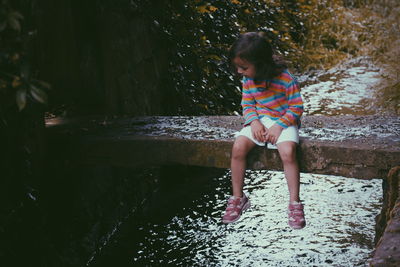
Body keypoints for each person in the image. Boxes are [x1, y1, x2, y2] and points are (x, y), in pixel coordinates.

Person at [222, 32, 306, 229]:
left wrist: (279, 126)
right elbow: (248, 105)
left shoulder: (286, 79)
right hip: (260, 121)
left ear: (260, 63)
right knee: (238, 147)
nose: (239, 71)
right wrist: (254, 123)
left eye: (243, 67)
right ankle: (238, 198)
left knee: (287, 152)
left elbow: (296, 108)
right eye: (237, 67)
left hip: (284, 121)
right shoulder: (248, 80)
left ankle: (295, 203)